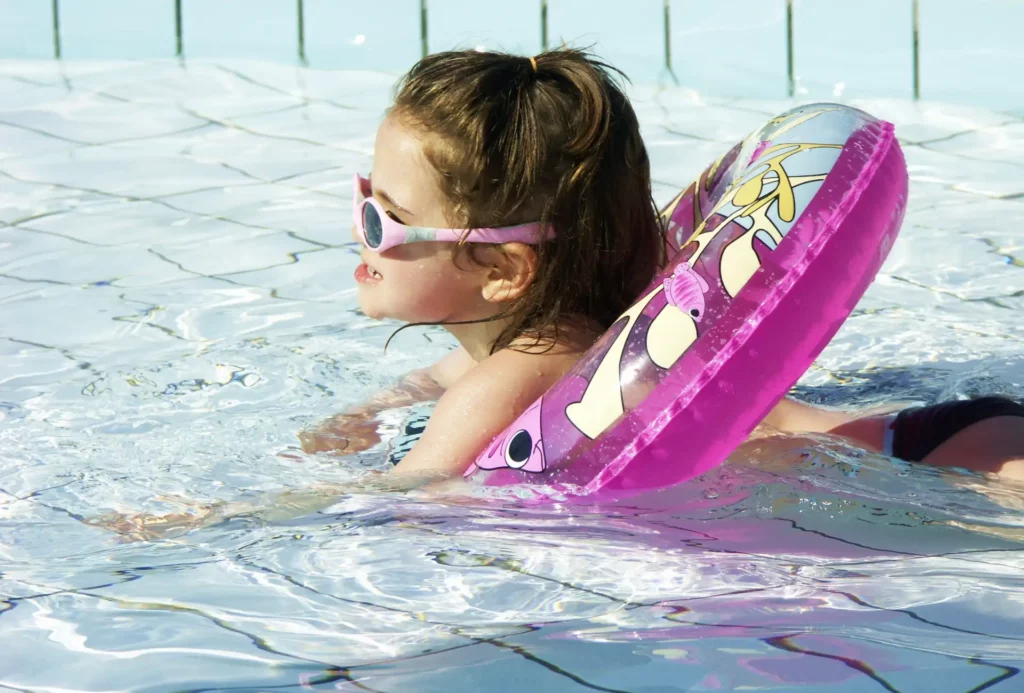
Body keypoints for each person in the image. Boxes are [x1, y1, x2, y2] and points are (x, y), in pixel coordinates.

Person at [93, 48, 1023, 541]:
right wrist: (377, 403)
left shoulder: (505, 381)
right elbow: (439, 389)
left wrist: (219, 518)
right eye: (362, 198)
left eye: (385, 219)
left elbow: (415, 495)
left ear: (504, 271)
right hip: (940, 435)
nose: (361, 232)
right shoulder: (557, 333)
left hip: (937, 471)